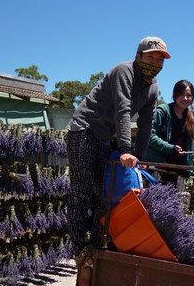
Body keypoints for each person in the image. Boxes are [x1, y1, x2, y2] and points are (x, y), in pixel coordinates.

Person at [65, 36, 171, 257]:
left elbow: (145, 124)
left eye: (159, 60)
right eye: (150, 57)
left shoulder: (153, 88)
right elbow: (122, 110)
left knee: (104, 195)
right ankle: (77, 248)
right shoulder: (125, 71)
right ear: (138, 56)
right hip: (84, 129)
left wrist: (138, 159)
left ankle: (95, 245)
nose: (154, 63)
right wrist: (125, 149)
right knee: (82, 193)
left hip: (103, 137)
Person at [144, 80, 194, 186]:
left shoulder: (189, 117)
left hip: (176, 170)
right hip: (157, 167)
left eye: (188, 95)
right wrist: (171, 148)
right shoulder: (162, 111)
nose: (185, 98)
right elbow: (149, 136)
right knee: (153, 199)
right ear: (174, 95)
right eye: (181, 94)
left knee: (171, 201)